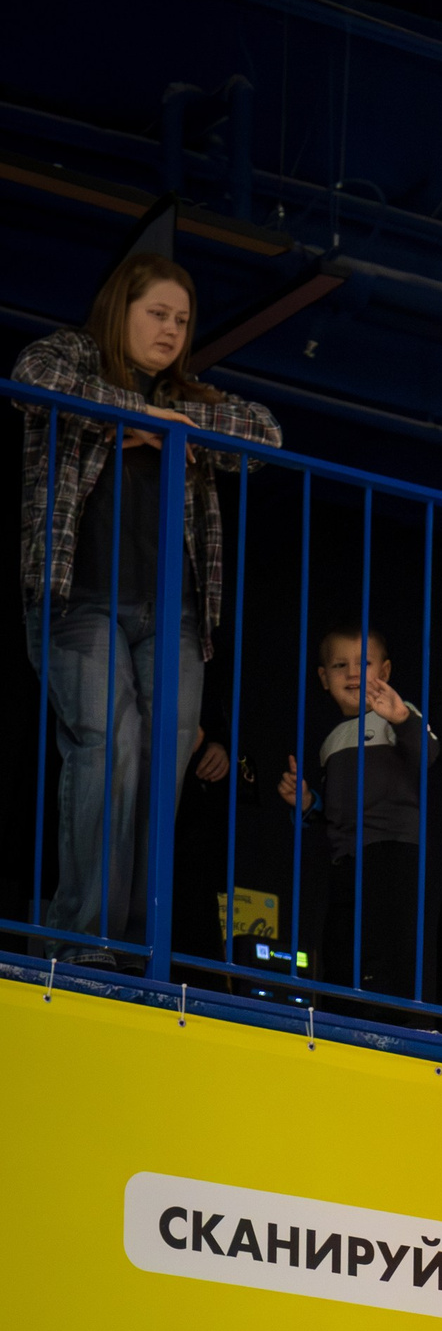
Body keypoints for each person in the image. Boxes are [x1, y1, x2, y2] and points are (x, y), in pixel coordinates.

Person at [14, 254, 280, 956]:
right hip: (81, 602)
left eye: (182, 321)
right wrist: (133, 413)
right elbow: (32, 377)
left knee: (163, 765)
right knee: (111, 748)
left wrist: (169, 423)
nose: (170, 330)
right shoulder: (74, 357)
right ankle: (83, 938)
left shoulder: (187, 394)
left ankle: (134, 944)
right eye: (157, 314)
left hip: (173, 615)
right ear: (120, 310)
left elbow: (265, 434)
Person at [279, 626, 439, 1003]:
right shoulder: (331, 741)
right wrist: (307, 803)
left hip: (392, 852)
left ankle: (392, 1016)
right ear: (323, 678)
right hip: (345, 860)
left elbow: (429, 755)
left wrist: (402, 717)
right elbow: (331, 815)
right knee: (342, 945)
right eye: (340, 665)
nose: (352, 674)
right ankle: (342, 1013)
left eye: (363, 664)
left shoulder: (397, 715)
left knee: (389, 948)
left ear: (384, 672)